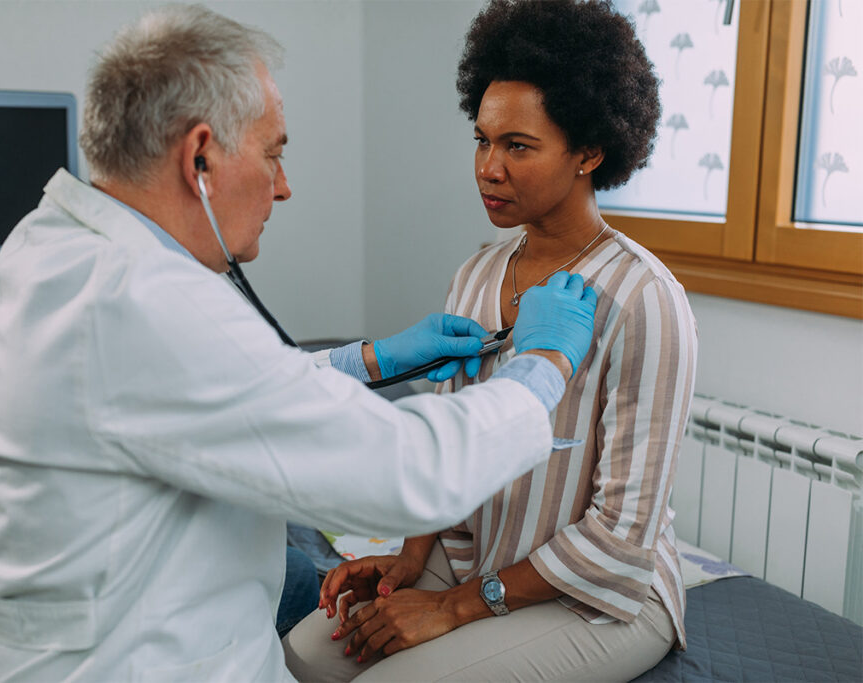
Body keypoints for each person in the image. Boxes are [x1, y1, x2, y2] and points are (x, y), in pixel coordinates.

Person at [0, 5, 600, 681]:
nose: (284, 187)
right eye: (274, 152)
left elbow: (210, 392)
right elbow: (406, 471)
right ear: (199, 156)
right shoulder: (145, 300)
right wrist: (543, 366)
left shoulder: (51, 244)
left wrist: (369, 360)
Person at [282, 1, 698, 681]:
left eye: (518, 146)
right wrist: (413, 558)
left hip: (599, 590)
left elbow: (623, 537)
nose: (488, 167)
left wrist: (453, 605)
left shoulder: (645, 299)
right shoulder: (477, 274)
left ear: (589, 152)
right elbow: (452, 440)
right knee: (305, 652)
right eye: (482, 139)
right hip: (482, 548)